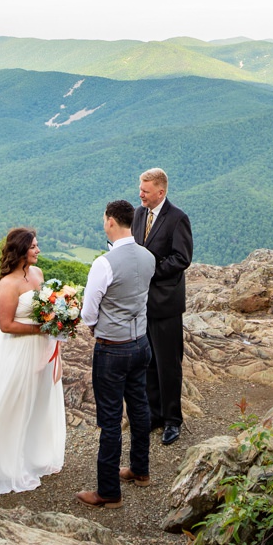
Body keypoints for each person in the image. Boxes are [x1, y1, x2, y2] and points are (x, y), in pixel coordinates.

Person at [0, 227, 66, 499]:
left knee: (37, 402)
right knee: (13, 403)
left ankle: (30, 457)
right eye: (33, 246)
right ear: (21, 250)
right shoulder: (8, 284)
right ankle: (3, 466)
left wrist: (59, 319)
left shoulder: (38, 274)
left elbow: (47, 308)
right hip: (18, 351)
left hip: (41, 349)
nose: (38, 250)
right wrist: (39, 330)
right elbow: (6, 325)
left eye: (37, 246)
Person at [75, 199, 154, 507]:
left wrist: (98, 327)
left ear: (110, 222)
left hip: (112, 348)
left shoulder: (103, 264)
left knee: (110, 421)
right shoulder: (148, 257)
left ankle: (108, 491)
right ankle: (140, 469)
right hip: (141, 344)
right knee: (139, 408)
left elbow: (88, 312)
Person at [135, 167, 191, 444]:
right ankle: (153, 415)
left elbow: (182, 258)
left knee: (168, 363)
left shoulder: (178, 218)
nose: (141, 194)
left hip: (166, 303)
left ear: (161, 191)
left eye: (145, 191)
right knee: (148, 362)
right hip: (142, 302)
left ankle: (172, 420)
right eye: (140, 189)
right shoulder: (138, 214)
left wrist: (149, 270)